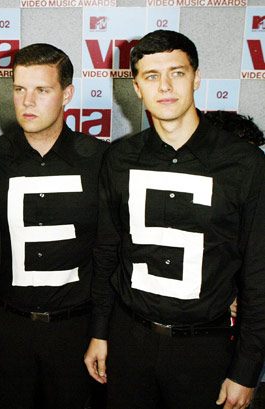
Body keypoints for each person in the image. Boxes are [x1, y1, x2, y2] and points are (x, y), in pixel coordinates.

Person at [84, 29, 265, 409]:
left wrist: (247, 368)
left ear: (196, 78)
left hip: (205, 349)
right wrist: (100, 332)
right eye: (151, 76)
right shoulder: (119, 158)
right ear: (137, 87)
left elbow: (258, 273)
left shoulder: (245, 163)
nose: (165, 86)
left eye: (177, 73)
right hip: (129, 340)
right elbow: (107, 252)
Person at [0, 43, 107, 409]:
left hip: (75, 330)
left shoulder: (100, 160)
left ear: (66, 94)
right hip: (8, 326)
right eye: (19, 89)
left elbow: (111, 250)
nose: (27, 101)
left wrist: (101, 330)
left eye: (42, 90)